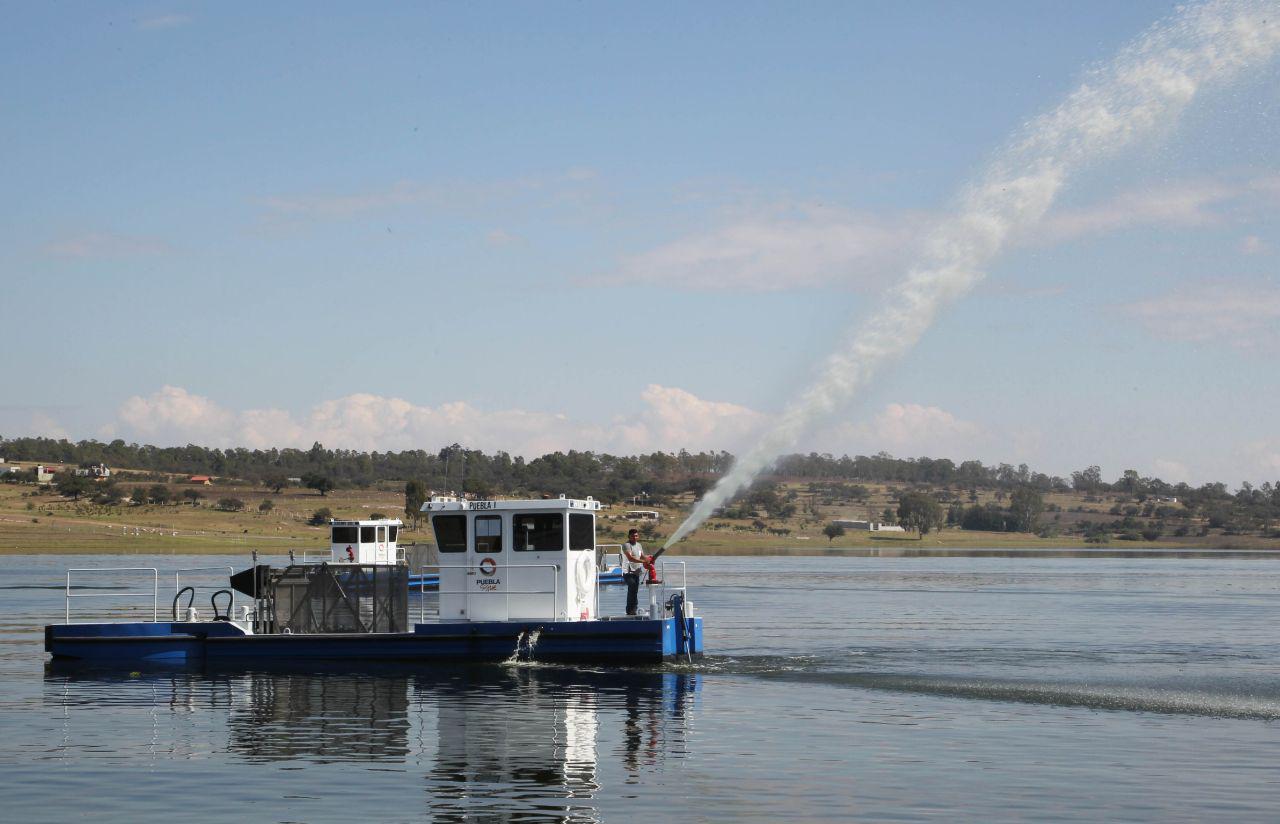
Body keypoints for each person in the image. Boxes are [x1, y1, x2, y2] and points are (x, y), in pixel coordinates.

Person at [621, 528, 649, 616]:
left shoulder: (639, 545)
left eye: (636, 535)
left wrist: (648, 559)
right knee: (632, 587)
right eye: (632, 536)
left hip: (637, 572)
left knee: (635, 591)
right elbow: (630, 558)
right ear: (629, 536)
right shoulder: (626, 545)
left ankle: (634, 609)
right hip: (627, 572)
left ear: (638, 536)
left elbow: (642, 556)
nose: (634, 537)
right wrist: (643, 562)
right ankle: (629, 610)